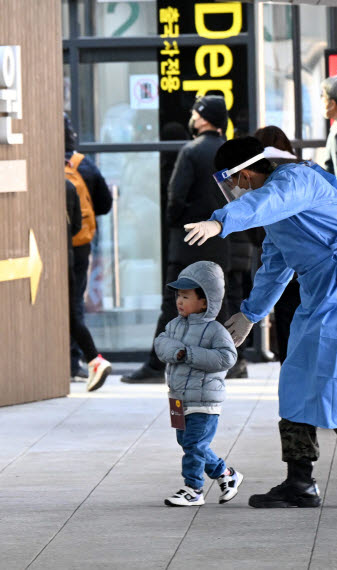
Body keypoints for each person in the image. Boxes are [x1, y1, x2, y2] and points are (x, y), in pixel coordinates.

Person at [184, 136, 337, 508]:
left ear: (247, 171)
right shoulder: (277, 212)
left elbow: (266, 201)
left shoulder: (296, 181)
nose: (236, 190)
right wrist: (251, 314)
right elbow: (276, 264)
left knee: (329, 380)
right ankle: (300, 482)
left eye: (235, 181)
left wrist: (218, 222)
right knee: (297, 379)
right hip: (321, 289)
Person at [124, 95, 231, 383]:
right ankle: (224, 361)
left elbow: (175, 199)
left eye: (196, 112)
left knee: (174, 306)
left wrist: (175, 224)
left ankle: (155, 366)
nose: (193, 118)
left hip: (187, 246)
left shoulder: (191, 151)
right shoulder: (229, 153)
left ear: (205, 117)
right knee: (216, 304)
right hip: (221, 243)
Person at [155, 260, 243, 506]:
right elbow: (161, 345)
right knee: (187, 443)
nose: (179, 301)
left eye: (186, 296)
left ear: (205, 301)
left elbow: (227, 357)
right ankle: (226, 475)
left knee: (194, 444)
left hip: (204, 400)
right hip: (177, 397)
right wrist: (176, 351)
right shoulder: (173, 326)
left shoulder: (215, 331)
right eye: (178, 296)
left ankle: (193, 489)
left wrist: (189, 354)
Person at [64, 115, 112, 388]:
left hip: (52, 246)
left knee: (62, 304)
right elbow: (104, 203)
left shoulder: (45, 165)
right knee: (74, 302)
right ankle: (75, 362)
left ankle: (78, 360)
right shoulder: (85, 165)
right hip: (80, 244)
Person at [252, 126, 299, 364]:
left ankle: (290, 379)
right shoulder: (305, 170)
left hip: (281, 260)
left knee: (286, 325)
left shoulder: (261, 177)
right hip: (311, 266)